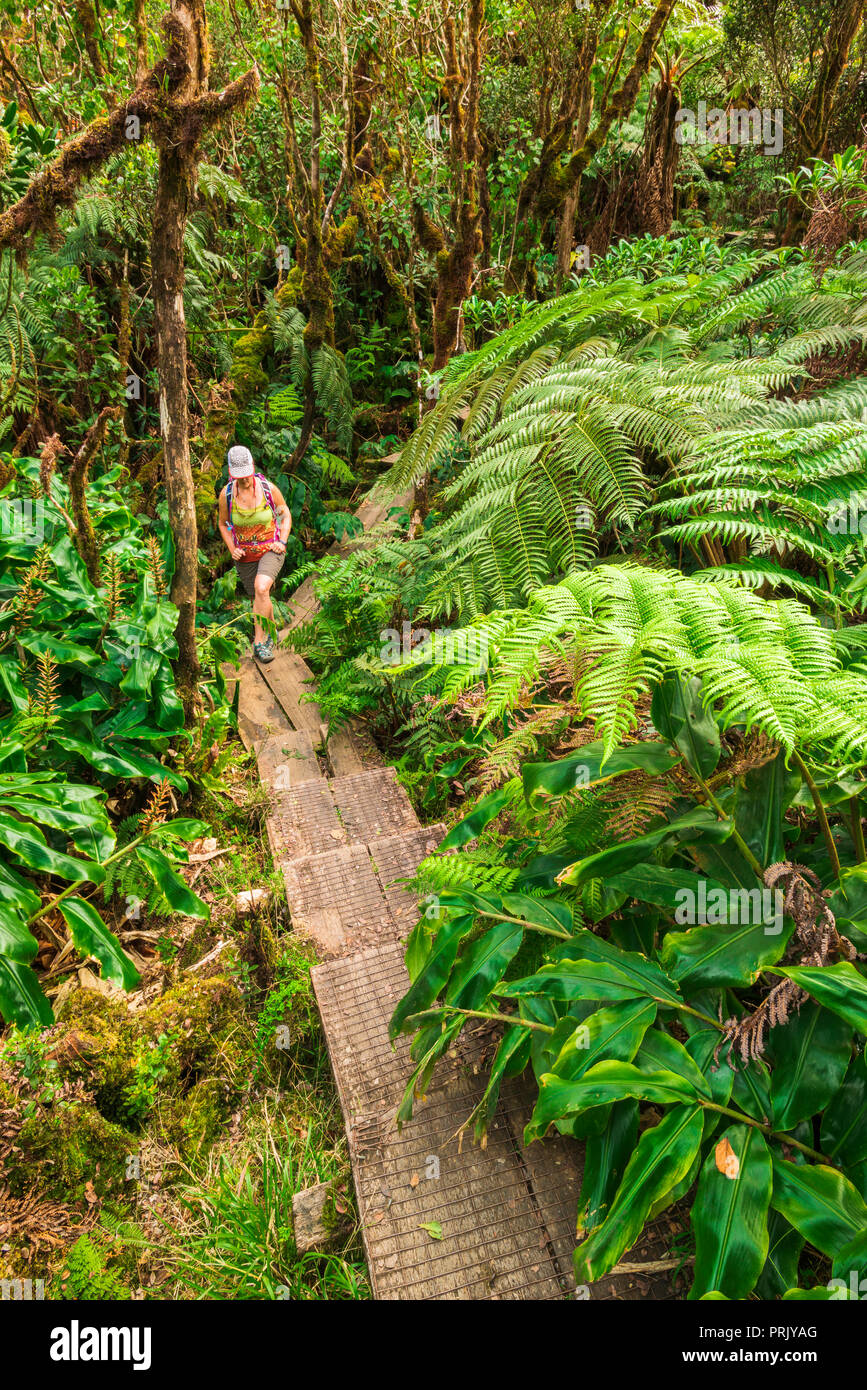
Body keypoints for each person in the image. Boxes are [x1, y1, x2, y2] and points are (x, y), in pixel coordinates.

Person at [217, 445, 292, 664]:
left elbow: (284, 514)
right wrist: (233, 548)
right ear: (232, 473)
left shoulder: (269, 489)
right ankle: (271, 628)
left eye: (247, 473)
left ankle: (259, 641)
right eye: (239, 475)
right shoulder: (227, 494)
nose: (244, 479)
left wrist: (282, 540)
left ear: (253, 467)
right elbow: (222, 524)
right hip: (245, 556)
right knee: (259, 596)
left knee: (261, 587)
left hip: (271, 549)